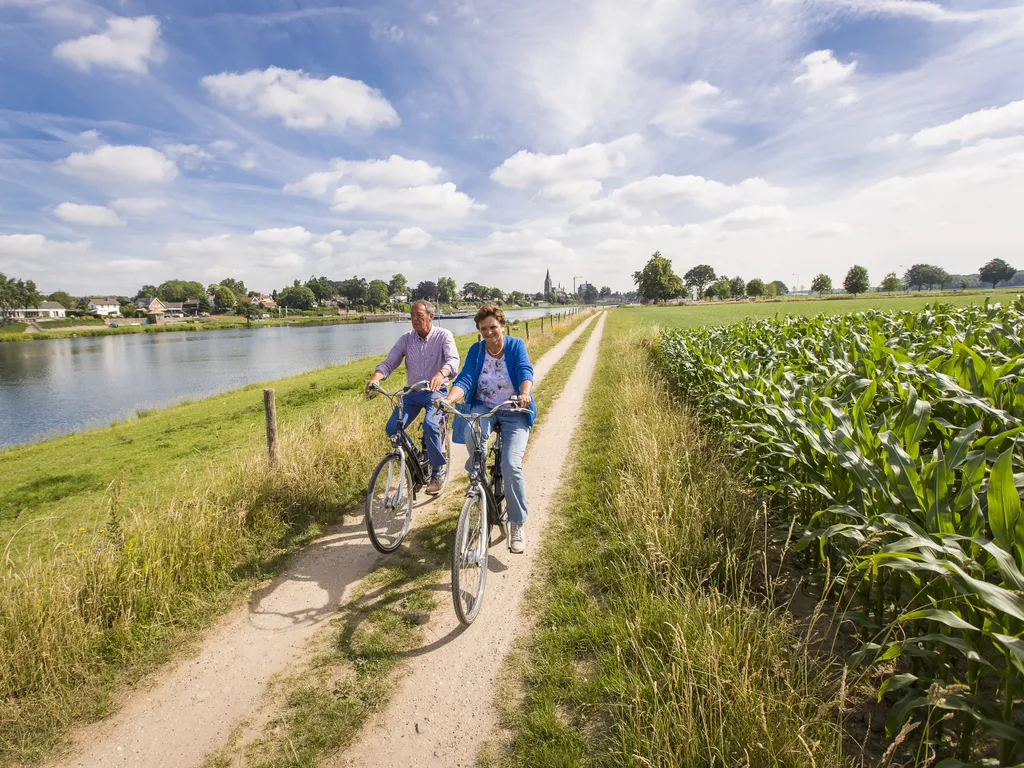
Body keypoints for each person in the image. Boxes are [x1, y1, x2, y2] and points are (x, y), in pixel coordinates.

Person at [440, 304, 534, 554]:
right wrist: (449, 399)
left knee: (511, 465)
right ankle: (478, 472)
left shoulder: (515, 346)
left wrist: (524, 393)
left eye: (493, 327)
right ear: (479, 330)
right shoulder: (476, 349)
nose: (489, 332)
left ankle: (517, 523)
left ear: (502, 326)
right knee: (473, 431)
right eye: (484, 328)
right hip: (485, 406)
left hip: (514, 408)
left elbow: (525, 369)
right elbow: (466, 378)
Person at [366, 300, 459, 494]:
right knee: (392, 428)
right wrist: (377, 376)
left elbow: (453, 361)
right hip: (412, 392)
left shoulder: (444, 336)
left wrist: (441, 374)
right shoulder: (406, 339)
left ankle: (437, 472)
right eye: (412, 315)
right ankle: (416, 457)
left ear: (431, 317)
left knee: (431, 425)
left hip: (436, 392)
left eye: (419, 315)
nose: (414, 319)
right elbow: (390, 362)